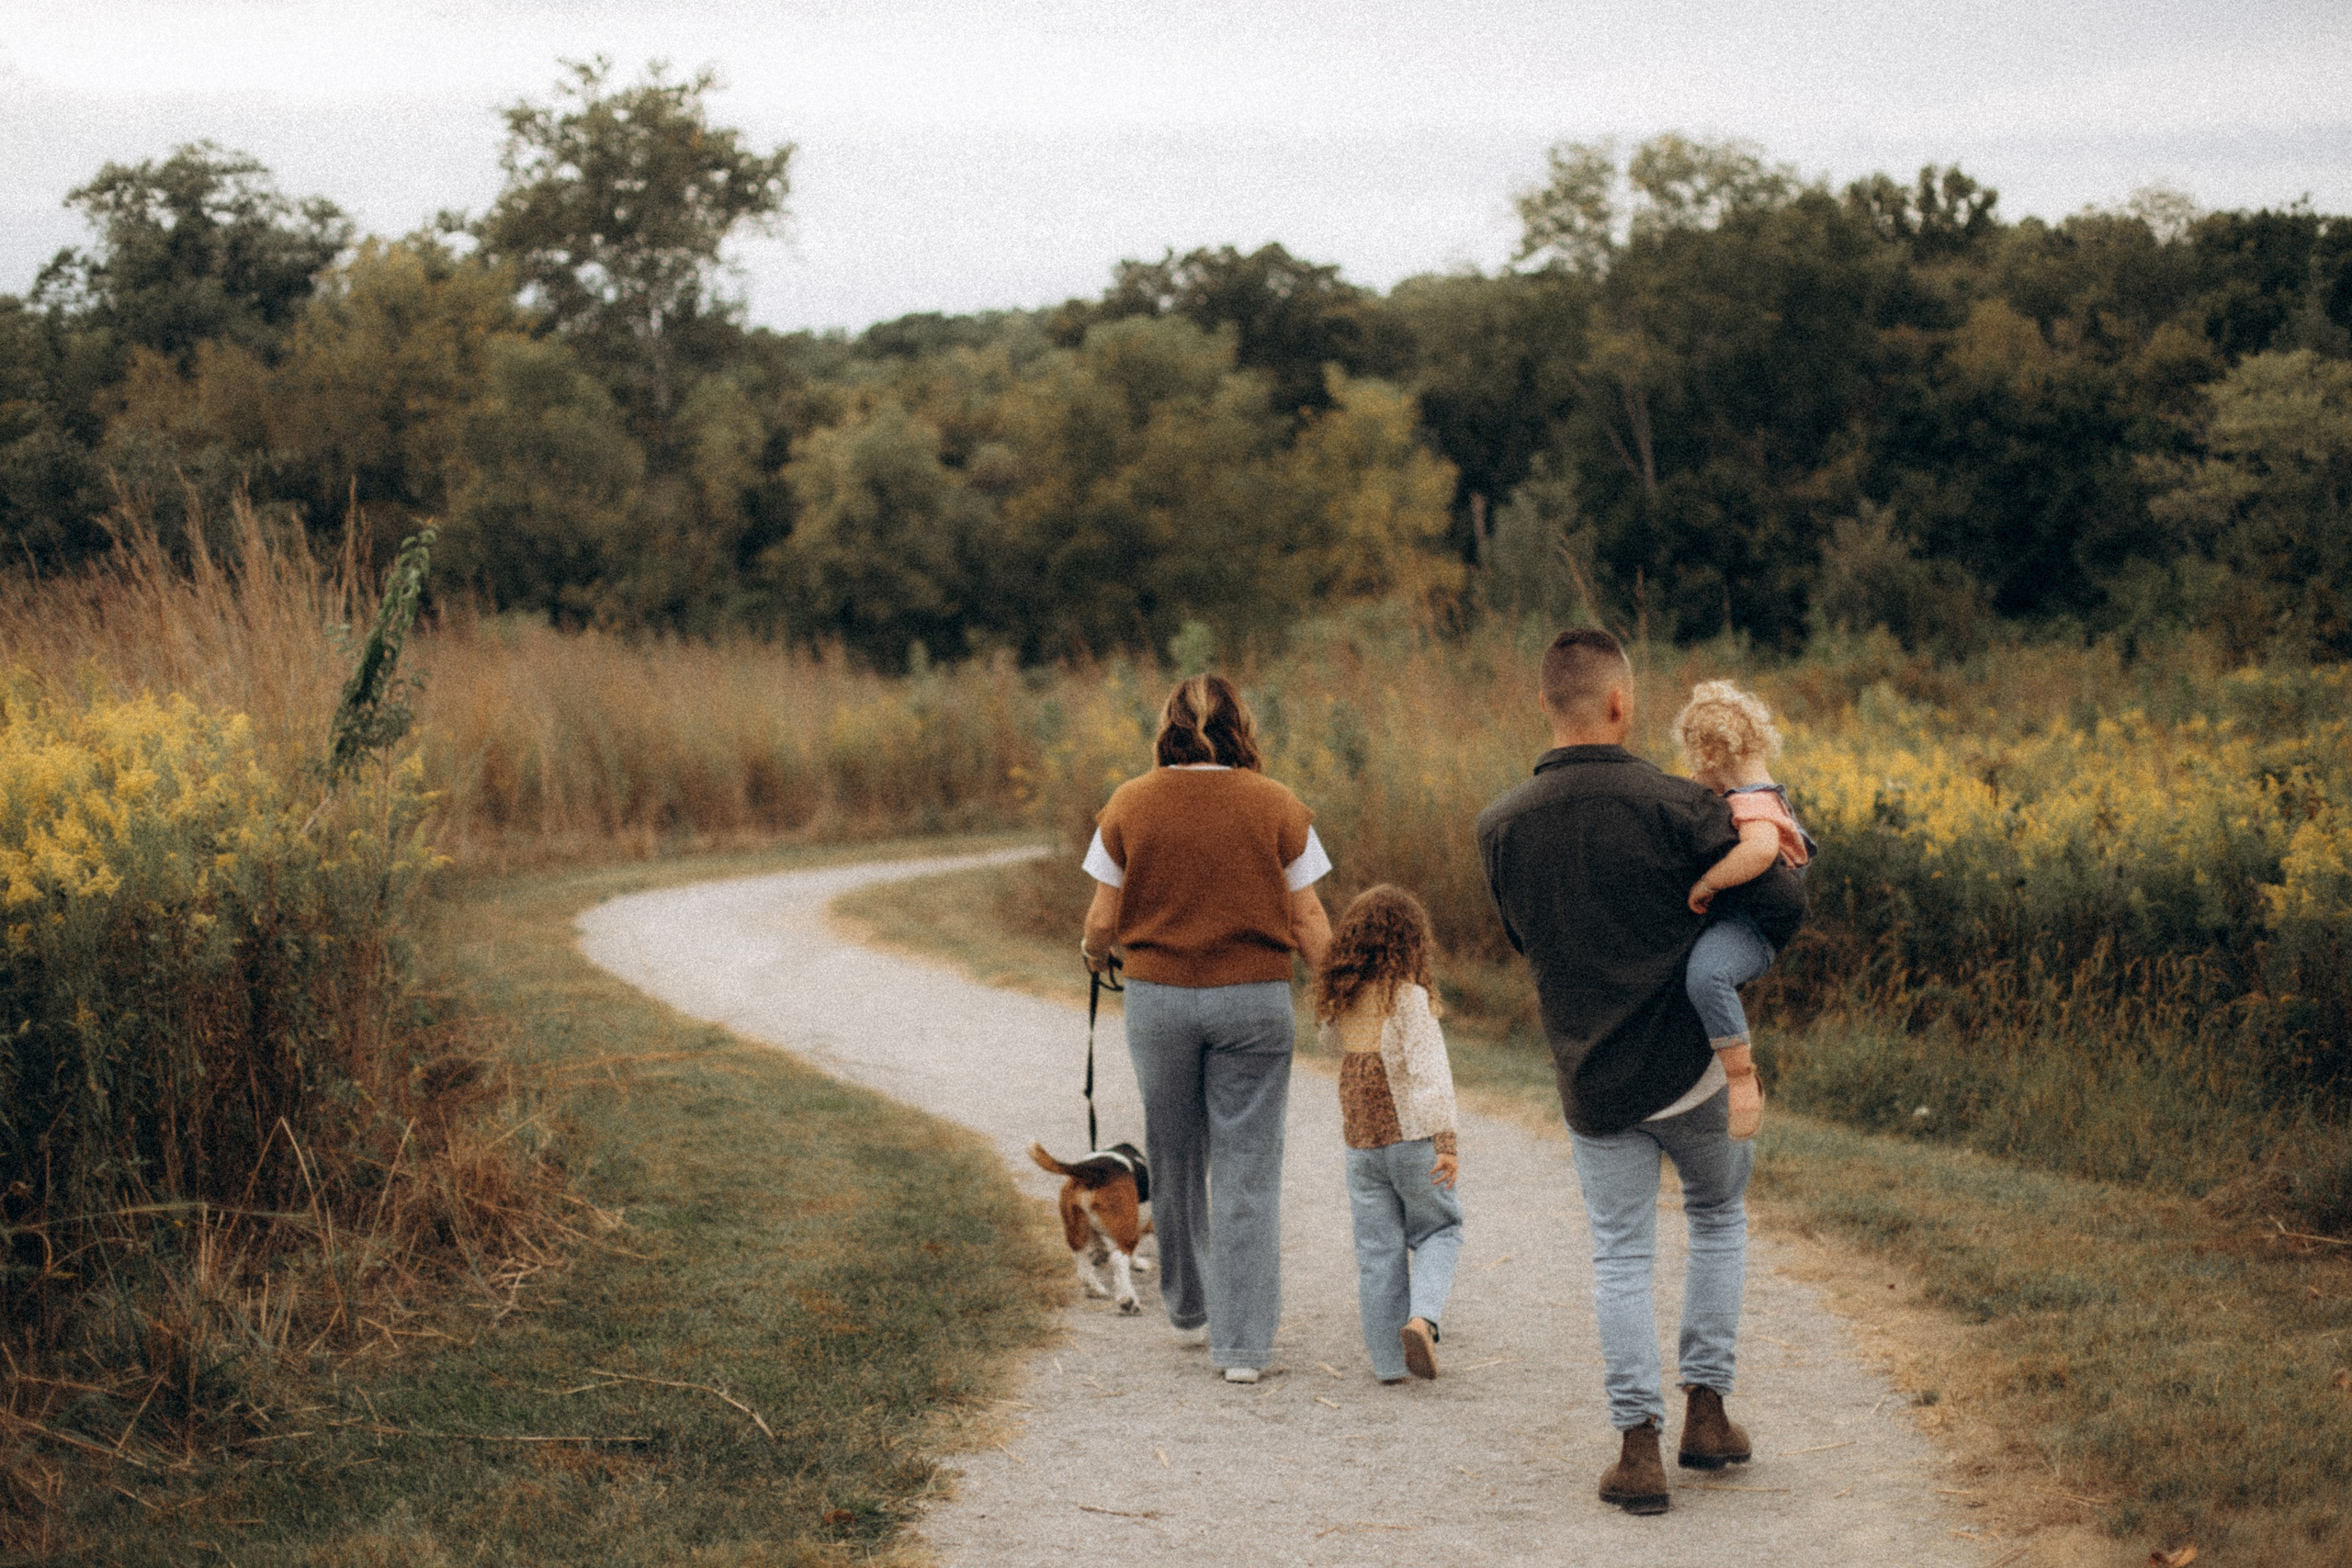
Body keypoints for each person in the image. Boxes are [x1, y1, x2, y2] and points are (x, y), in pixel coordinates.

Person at [1474, 629, 1805, 1517]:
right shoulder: (1680, 808)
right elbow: (1779, 895)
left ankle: (1637, 1450)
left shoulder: (1500, 828)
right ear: (1621, 703)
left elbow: (1523, 940)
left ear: (1548, 702)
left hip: (1593, 1075)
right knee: (1717, 1216)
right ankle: (1708, 1413)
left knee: (1620, 1254)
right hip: (1695, 1070)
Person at [1079, 673, 1332, 1385]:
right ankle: (1244, 1347)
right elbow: (1309, 919)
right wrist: (1343, 995)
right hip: (1253, 1000)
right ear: (1240, 727)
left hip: (1159, 1000)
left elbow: (1102, 920)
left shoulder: (1129, 803)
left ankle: (1189, 1309)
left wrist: (1096, 957)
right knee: (1248, 1169)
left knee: (1176, 1152)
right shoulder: (1279, 804)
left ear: (1167, 728)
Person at [1314, 886, 1464, 1384]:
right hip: (1411, 1139)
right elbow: (1430, 1072)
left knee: (1378, 1251)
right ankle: (1422, 1320)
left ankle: (1387, 1363)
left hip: (1361, 1145)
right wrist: (1446, 1142)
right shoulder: (1408, 997)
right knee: (1440, 1229)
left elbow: (1331, 1044)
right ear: (1410, 941)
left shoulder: (1343, 998)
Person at [1674, 680, 1816, 1142]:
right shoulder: (1760, 793)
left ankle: (1741, 1077)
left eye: (1698, 767)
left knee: (1706, 975)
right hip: (1746, 918)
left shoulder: (1752, 802)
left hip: (1752, 925)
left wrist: (1708, 881)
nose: (1697, 777)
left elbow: (1758, 853)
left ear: (1710, 757)